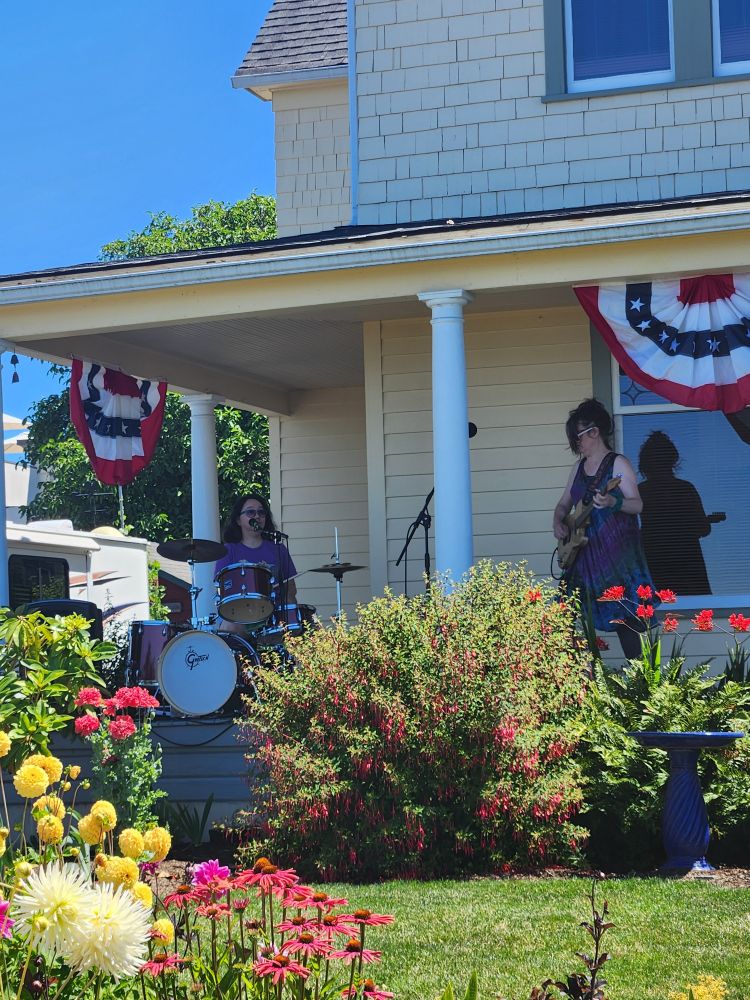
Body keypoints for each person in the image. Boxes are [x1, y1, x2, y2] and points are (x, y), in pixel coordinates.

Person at [552, 399, 655, 660]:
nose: (576, 444)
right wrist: (558, 521)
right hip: (583, 555)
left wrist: (613, 501)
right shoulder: (577, 468)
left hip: (614, 557)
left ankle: (644, 690)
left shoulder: (618, 464)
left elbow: (638, 504)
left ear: (594, 432)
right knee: (565, 615)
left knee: (626, 621)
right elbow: (564, 503)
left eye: (578, 437)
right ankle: (585, 683)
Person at [638, 431, 713, 595]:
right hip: (689, 570)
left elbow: (631, 533)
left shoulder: (642, 491)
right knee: (695, 613)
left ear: (645, 464)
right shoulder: (685, 489)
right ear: (672, 460)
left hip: (655, 565)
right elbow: (703, 528)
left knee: (656, 614)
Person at [215, 494, 297, 631]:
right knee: (228, 628)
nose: (257, 516)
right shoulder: (229, 550)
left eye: (261, 512)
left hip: (274, 615)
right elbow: (221, 588)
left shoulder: (278, 548)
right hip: (240, 615)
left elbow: (291, 589)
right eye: (250, 512)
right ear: (238, 520)